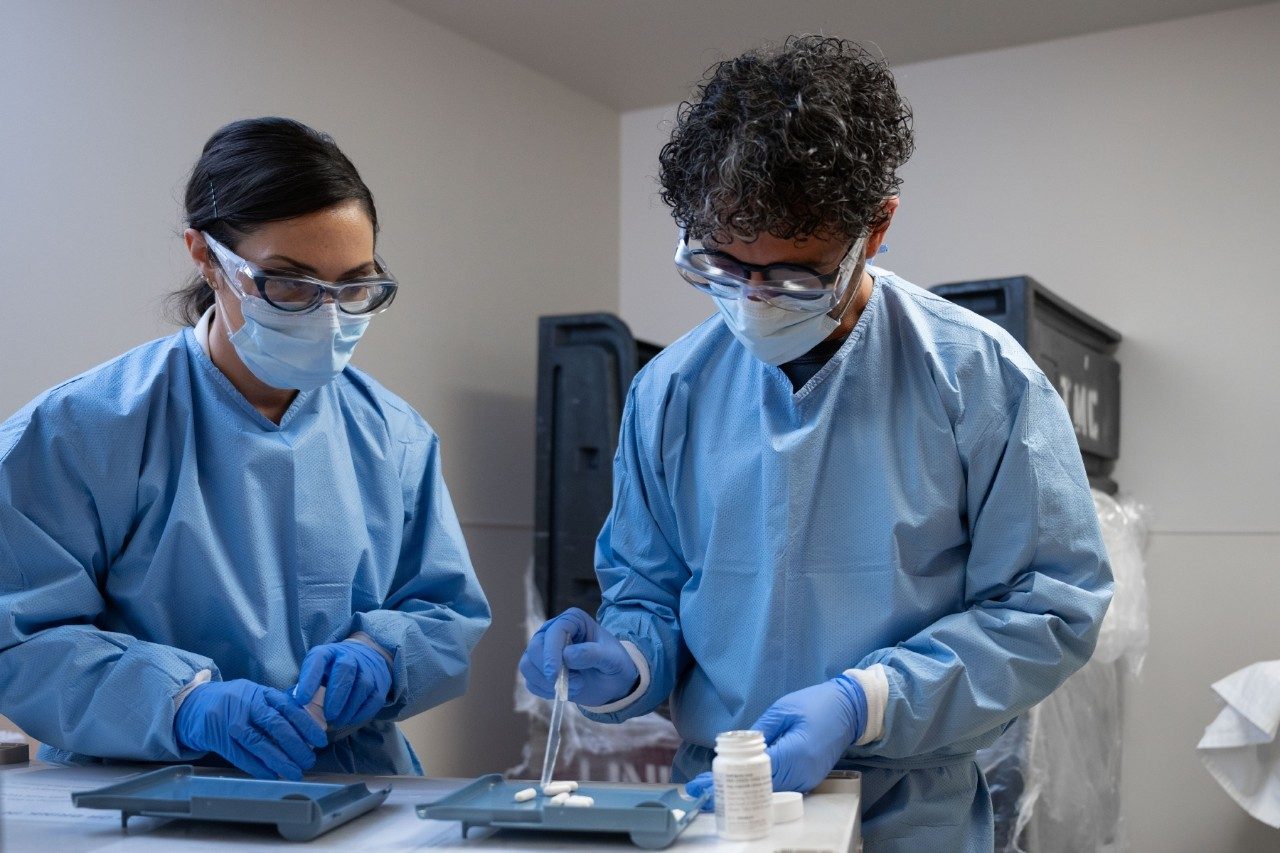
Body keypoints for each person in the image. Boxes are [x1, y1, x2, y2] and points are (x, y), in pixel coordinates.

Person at [520, 36, 1112, 850]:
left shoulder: (976, 379)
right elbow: (649, 594)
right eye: (723, 266)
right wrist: (627, 658)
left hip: (909, 811)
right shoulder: (670, 392)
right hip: (718, 804)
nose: (755, 299)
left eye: (795, 276)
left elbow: (1052, 605)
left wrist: (863, 700)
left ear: (877, 227)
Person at [0, 117, 491, 779]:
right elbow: (21, 638)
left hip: (350, 787)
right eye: (289, 283)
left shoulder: (393, 436)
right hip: (138, 793)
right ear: (204, 255)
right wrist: (183, 704)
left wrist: (383, 653)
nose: (328, 315)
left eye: (353, 287)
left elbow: (444, 610)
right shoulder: (80, 431)